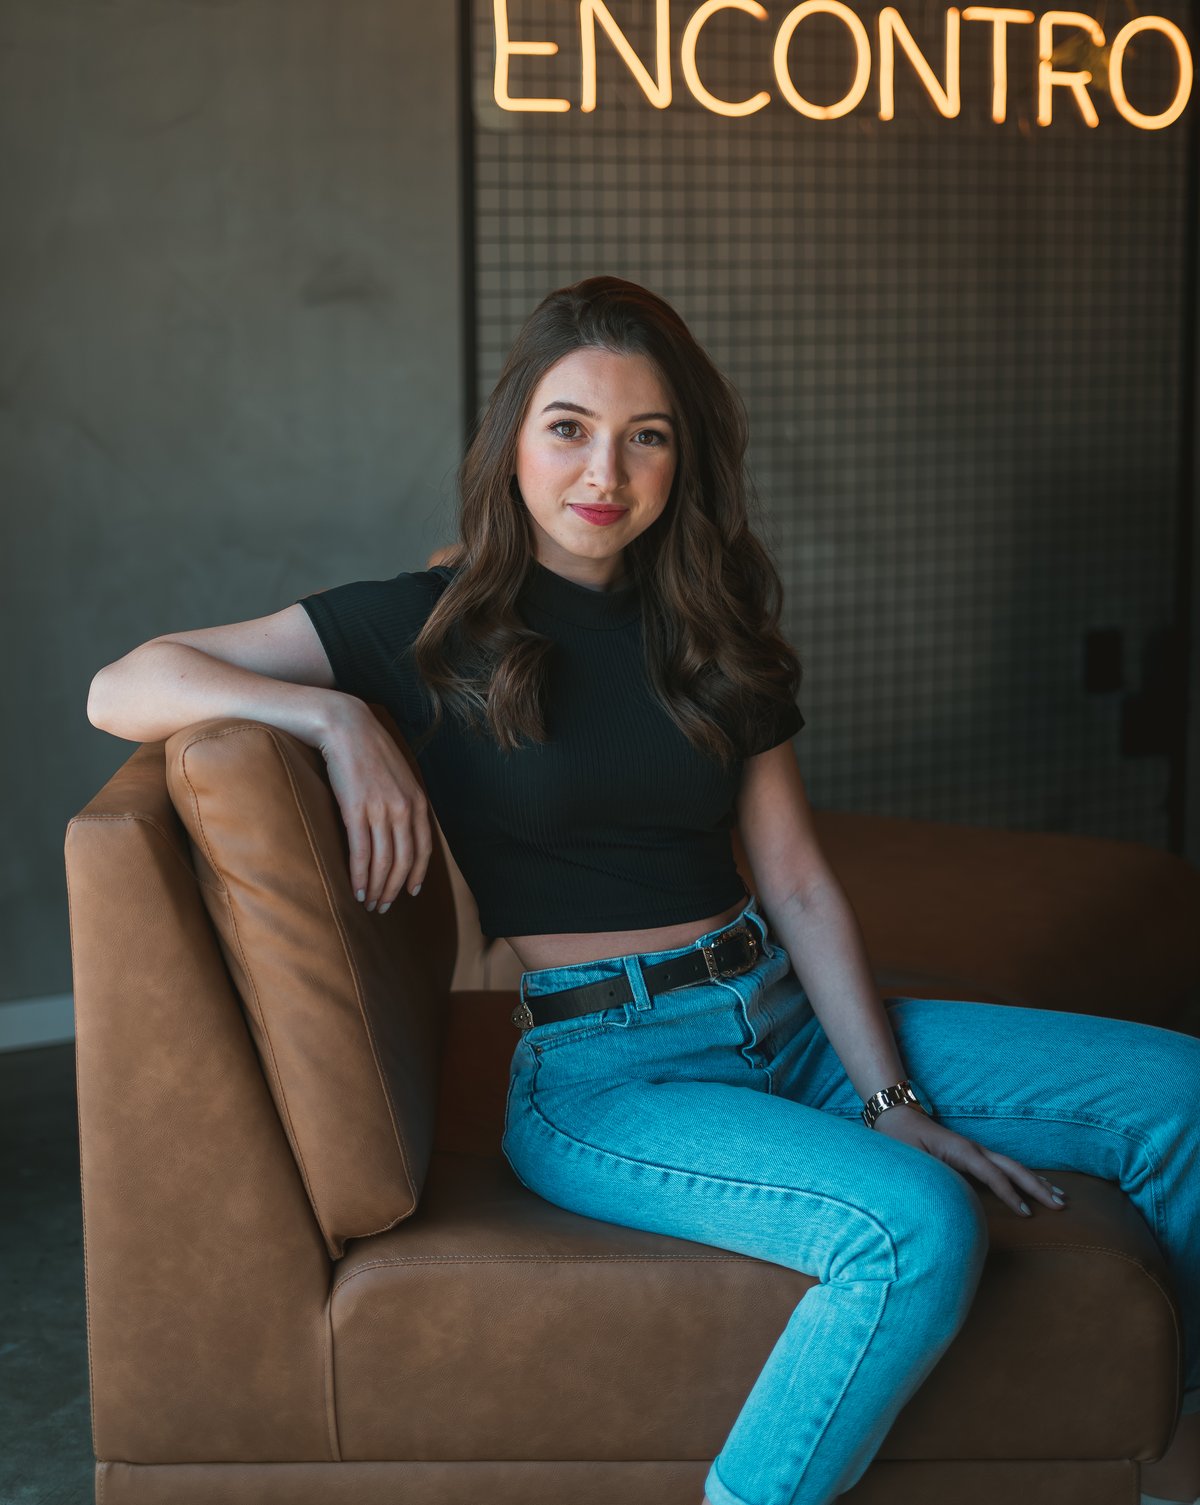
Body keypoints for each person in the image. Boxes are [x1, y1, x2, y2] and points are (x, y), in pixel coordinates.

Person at [89, 275, 1200, 1505]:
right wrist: (328, 712)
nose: (601, 470)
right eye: (568, 427)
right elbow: (124, 685)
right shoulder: (430, 626)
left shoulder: (715, 625)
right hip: (608, 1074)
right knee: (911, 1230)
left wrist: (889, 1094)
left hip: (780, 1020)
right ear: (513, 439)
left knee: (1183, 1095)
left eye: (645, 436)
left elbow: (797, 882)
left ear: (684, 460)